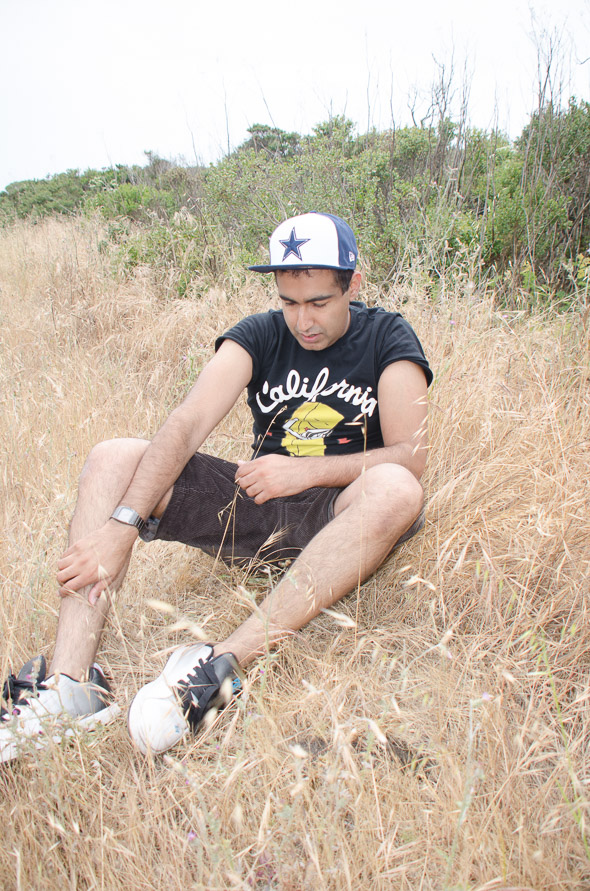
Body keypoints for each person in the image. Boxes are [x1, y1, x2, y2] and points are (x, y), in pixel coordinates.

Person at [1, 212, 432, 762]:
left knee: (397, 488)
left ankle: (222, 663)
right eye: (289, 302)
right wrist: (121, 526)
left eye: (320, 302)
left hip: (341, 518)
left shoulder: (387, 335)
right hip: (256, 507)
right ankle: (70, 687)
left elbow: (411, 456)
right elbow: (187, 424)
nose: (303, 320)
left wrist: (304, 471)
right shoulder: (259, 334)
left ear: (354, 284)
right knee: (112, 458)